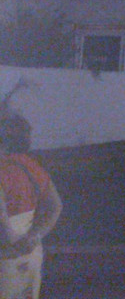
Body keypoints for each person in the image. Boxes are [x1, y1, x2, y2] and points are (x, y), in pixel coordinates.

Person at [0, 114, 62, 299]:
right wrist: (35, 235)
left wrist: (13, 244)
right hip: (32, 252)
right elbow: (56, 206)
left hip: (6, 255)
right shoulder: (31, 166)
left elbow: (2, 220)